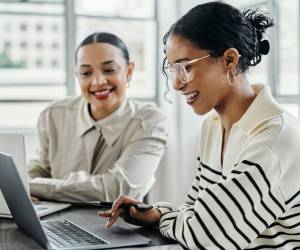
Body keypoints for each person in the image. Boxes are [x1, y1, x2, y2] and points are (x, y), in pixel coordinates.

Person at [99, 2, 300, 249]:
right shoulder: (213, 126)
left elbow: (206, 237)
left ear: (229, 59)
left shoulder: (274, 139)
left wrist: (165, 217)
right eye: (172, 69)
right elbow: (196, 210)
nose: (176, 84)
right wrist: (156, 213)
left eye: (186, 67)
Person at [28, 32, 168, 203]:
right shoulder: (54, 115)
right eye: (86, 73)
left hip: (120, 227)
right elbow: (40, 169)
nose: (98, 81)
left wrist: (33, 186)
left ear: (129, 71)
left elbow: (118, 190)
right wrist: (22, 186)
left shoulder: (150, 121)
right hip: (56, 224)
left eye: (109, 70)